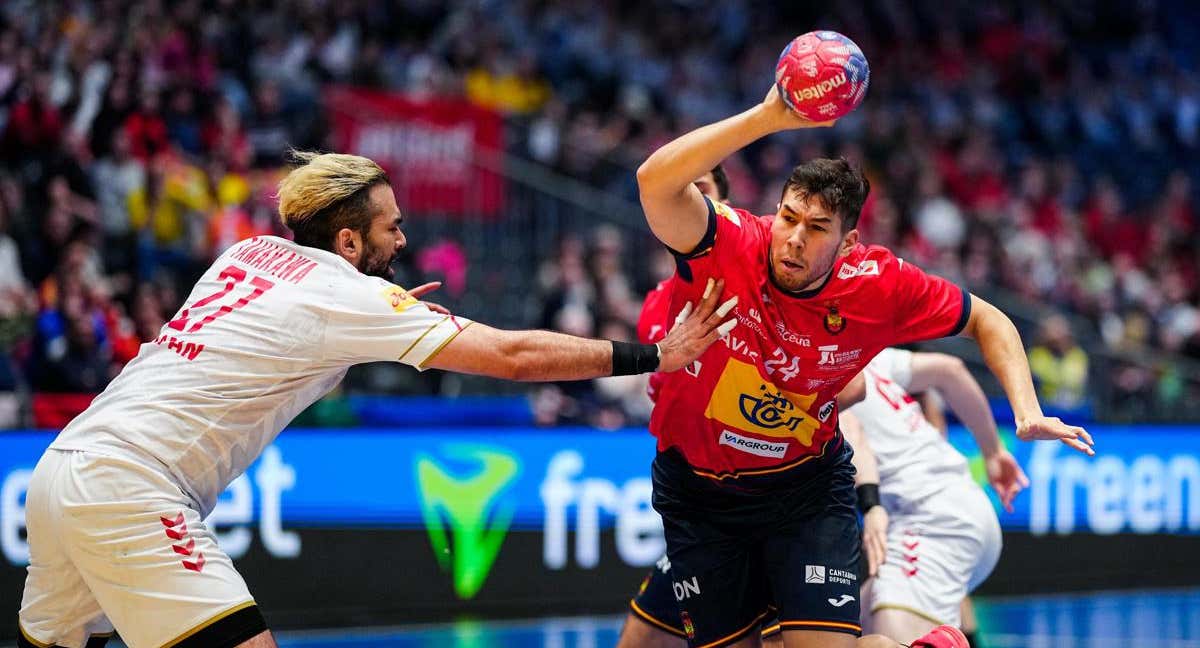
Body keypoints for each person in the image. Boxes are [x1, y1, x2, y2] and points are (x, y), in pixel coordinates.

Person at [16, 151, 738, 648]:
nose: (406, 235)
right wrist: (657, 355)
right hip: (132, 489)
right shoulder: (342, 295)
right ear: (351, 241)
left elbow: (273, 351)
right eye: (393, 226)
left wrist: (377, 320)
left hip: (61, 467)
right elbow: (513, 357)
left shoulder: (245, 257)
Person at [632, 85, 1093, 648]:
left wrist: (1024, 412)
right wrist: (770, 116)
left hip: (803, 491)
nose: (794, 239)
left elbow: (989, 320)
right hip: (698, 496)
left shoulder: (878, 285)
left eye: (817, 228)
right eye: (788, 217)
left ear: (848, 242)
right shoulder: (729, 242)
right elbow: (653, 181)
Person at [761, 348, 1023, 646]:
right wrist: (992, 452)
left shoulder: (804, 372)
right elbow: (951, 369)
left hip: (930, 521)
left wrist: (871, 505)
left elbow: (852, 428)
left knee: (887, 635)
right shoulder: (867, 354)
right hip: (960, 504)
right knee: (817, 635)